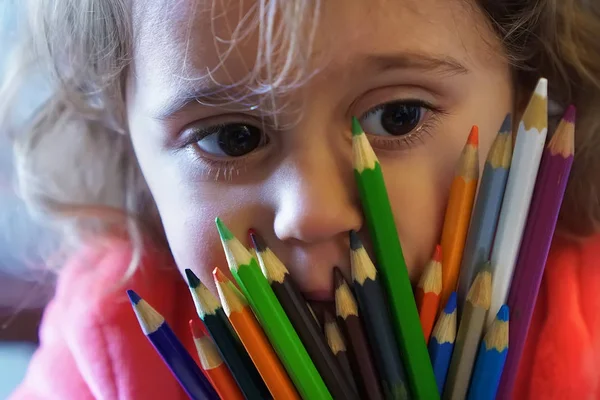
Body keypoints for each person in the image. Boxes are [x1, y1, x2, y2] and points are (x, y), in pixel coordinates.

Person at [1, 0, 599, 398]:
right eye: (232, 136)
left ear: (527, 99)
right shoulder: (105, 349)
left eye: (397, 115)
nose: (311, 212)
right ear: (127, 148)